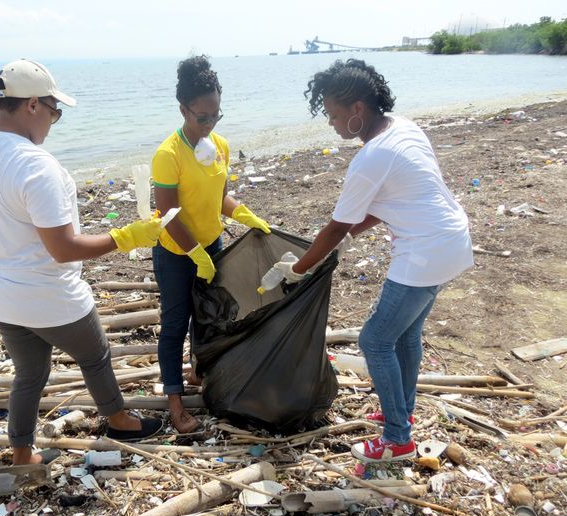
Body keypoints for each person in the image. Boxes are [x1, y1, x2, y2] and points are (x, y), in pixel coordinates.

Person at [0, 59, 163, 466]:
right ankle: (119, 418)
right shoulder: (36, 165)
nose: (53, 120)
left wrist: (4, 234)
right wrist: (125, 236)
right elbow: (63, 249)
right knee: (94, 355)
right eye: (54, 111)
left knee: (30, 374)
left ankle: (22, 453)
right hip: (48, 293)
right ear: (32, 105)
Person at [275, 59, 473, 463]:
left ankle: (398, 439)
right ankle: (402, 411)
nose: (330, 122)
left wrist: (298, 269)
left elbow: (333, 227)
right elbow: (385, 205)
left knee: (374, 340)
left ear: (357, 109)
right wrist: (352, 235)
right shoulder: (403, 128)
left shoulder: (370, 159)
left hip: (424, 253)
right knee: (405, 334)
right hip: (451, 241)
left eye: (333, 114)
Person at [151, 55, 271, 433]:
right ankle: (174, 402)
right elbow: (168, 216)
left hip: (211, 245)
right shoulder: (168, 155)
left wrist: (244, 214)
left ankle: (199, 373)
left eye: (216, 115)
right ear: (183, 109)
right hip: (176, 252)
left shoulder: (218, 144)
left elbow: (220, 197)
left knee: (209, 317)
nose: (209, 123)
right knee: (175, 324)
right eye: (201, 117)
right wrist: (195, 253)